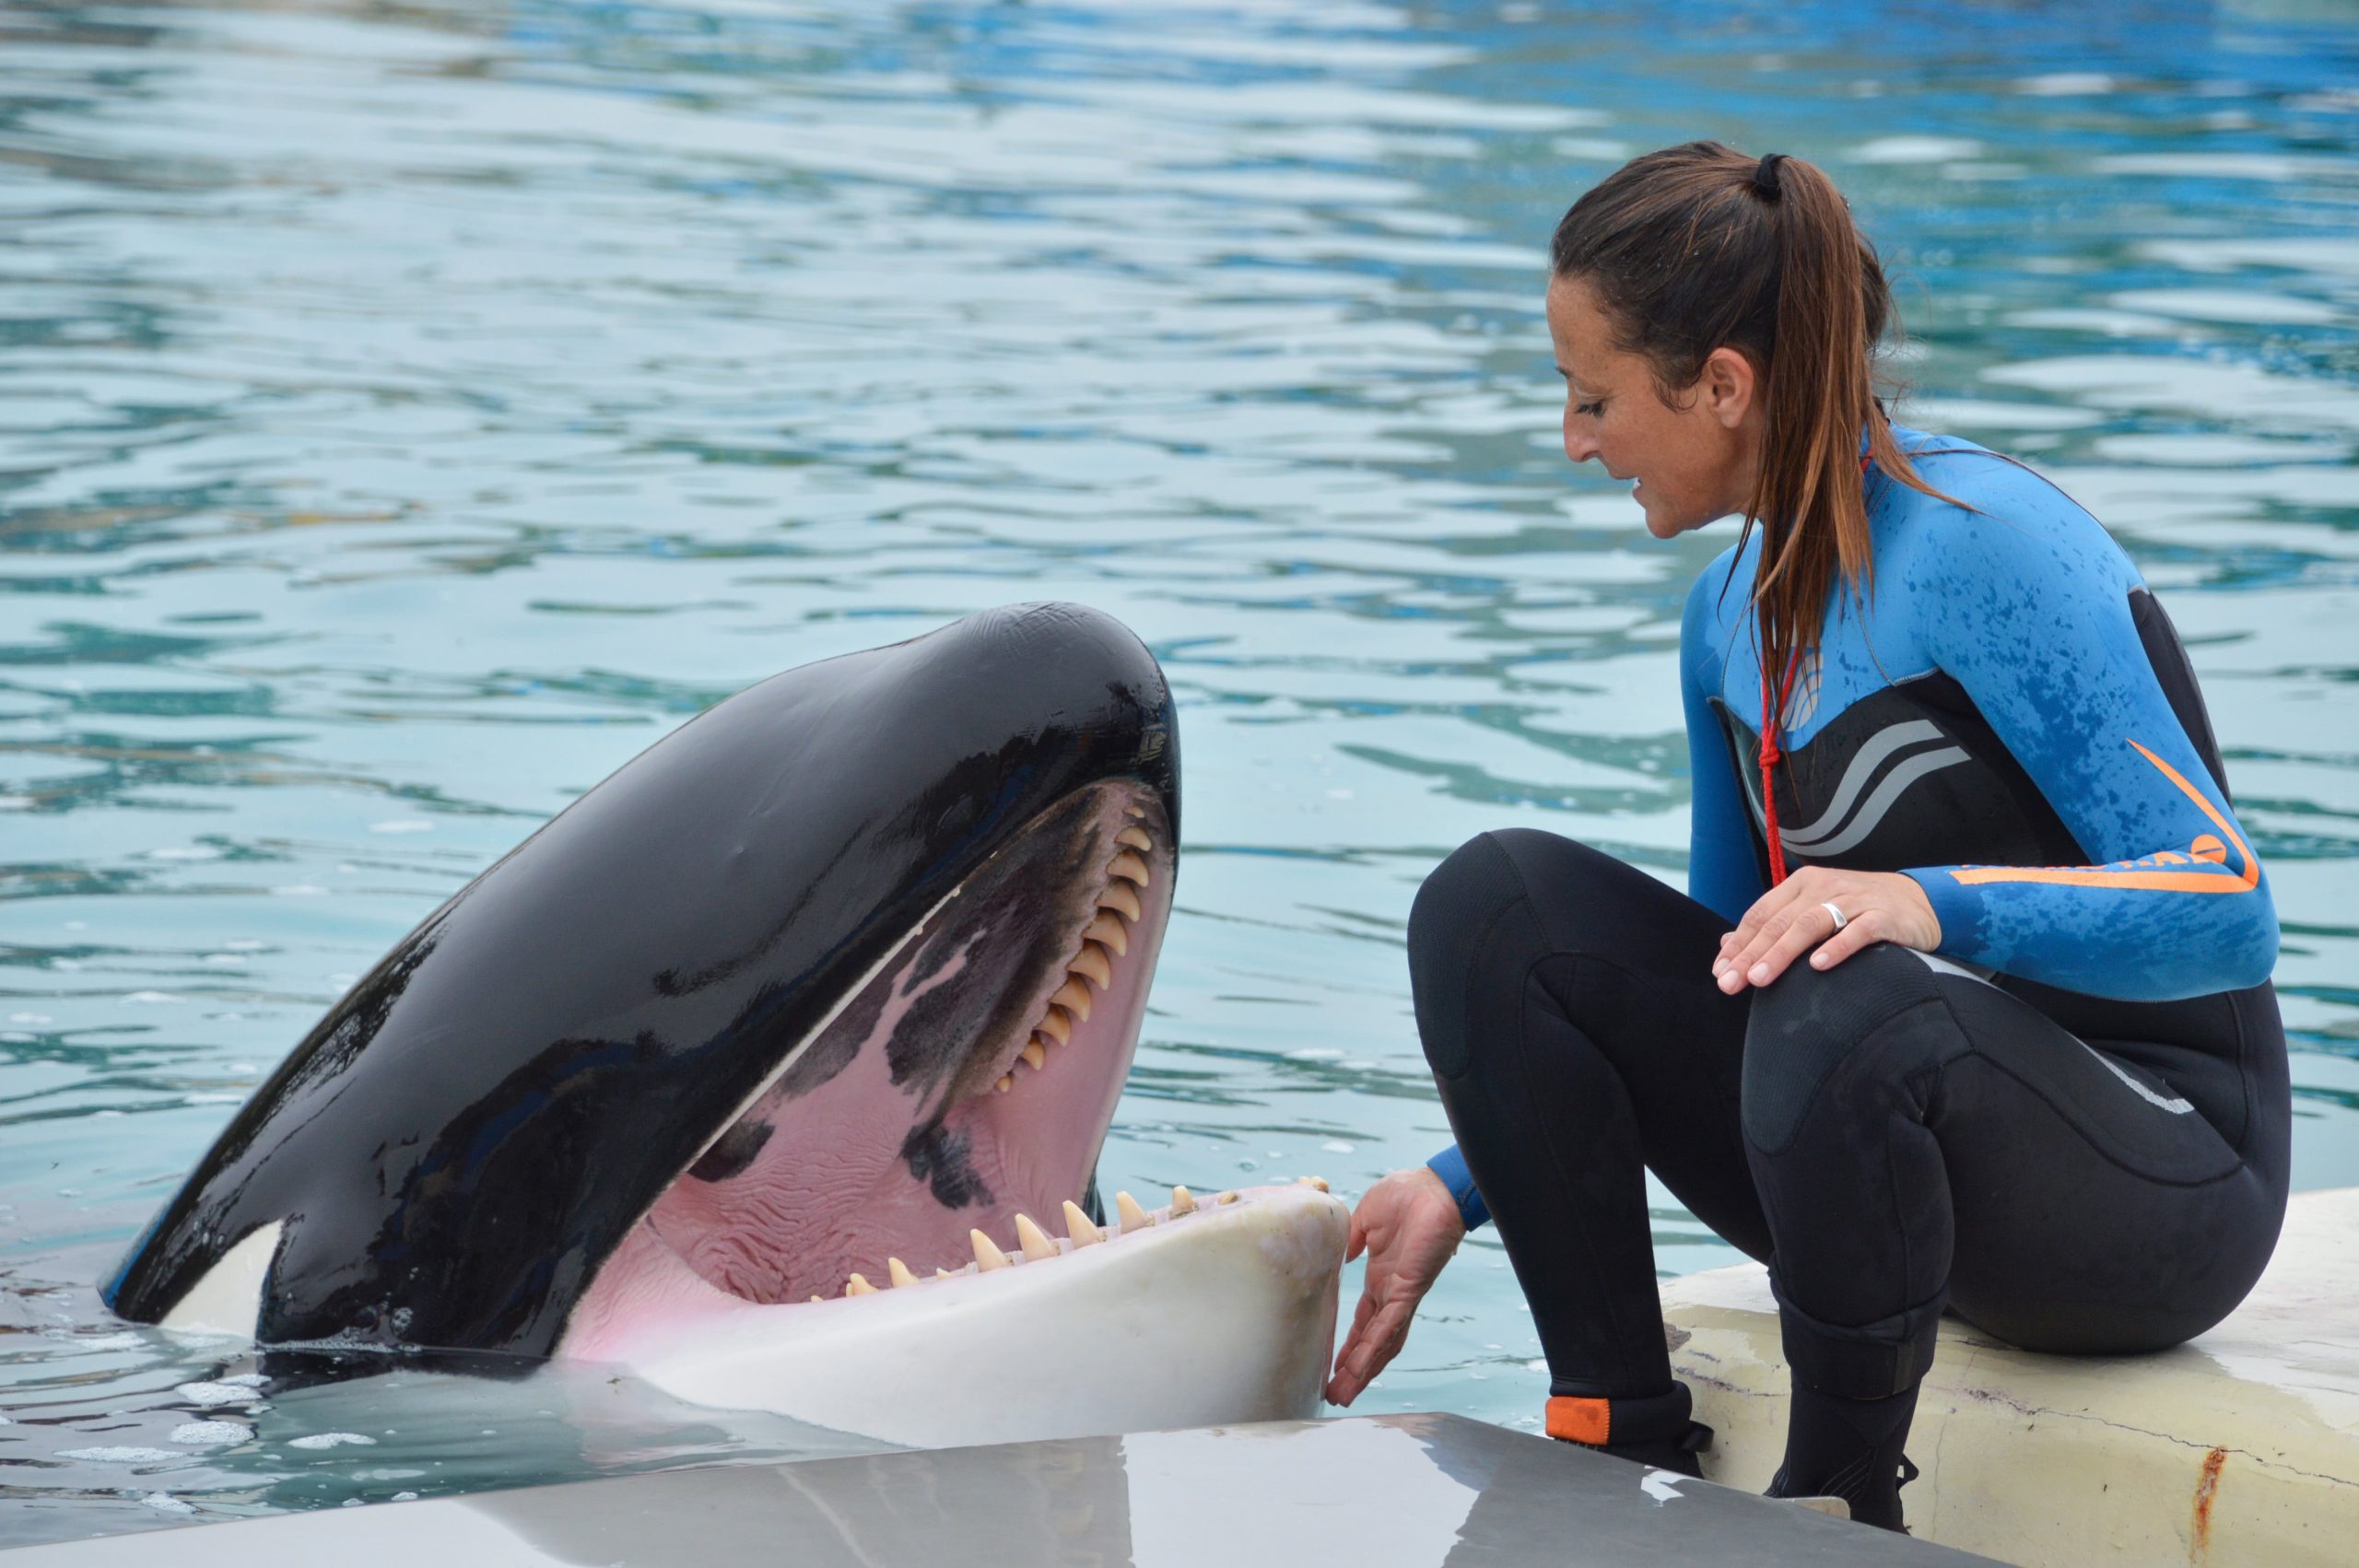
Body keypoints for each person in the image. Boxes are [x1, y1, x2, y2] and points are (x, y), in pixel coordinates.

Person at [1322, 142, 2287, 1533]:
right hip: (1889, 1154)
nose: (1576, 441)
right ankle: (1611, 1424)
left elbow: (2229, 908)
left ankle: (1834, 1503)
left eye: (1593, 398)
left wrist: (1923, 901)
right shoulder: (1725, 618)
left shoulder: (1989, 544)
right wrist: (1458, 1184)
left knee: (1844, 975)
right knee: (1498, 909)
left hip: (2163, 1181)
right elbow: (1718, 966)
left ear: (1723, 385)